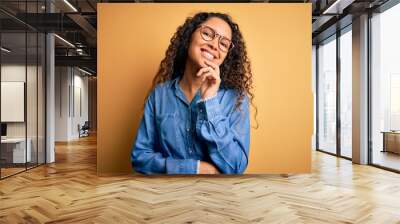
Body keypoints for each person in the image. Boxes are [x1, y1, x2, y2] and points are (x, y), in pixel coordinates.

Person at [131, 12, 255, 174]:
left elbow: (236, 167)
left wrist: (210, 102)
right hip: (165, 195)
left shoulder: (236, 99)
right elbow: (140, 157)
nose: (214, 45)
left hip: (217, 196)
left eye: (224, 44)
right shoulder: (159, 95)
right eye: (207, 34)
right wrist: (195, 168)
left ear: (226, 56)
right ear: (190, 36)